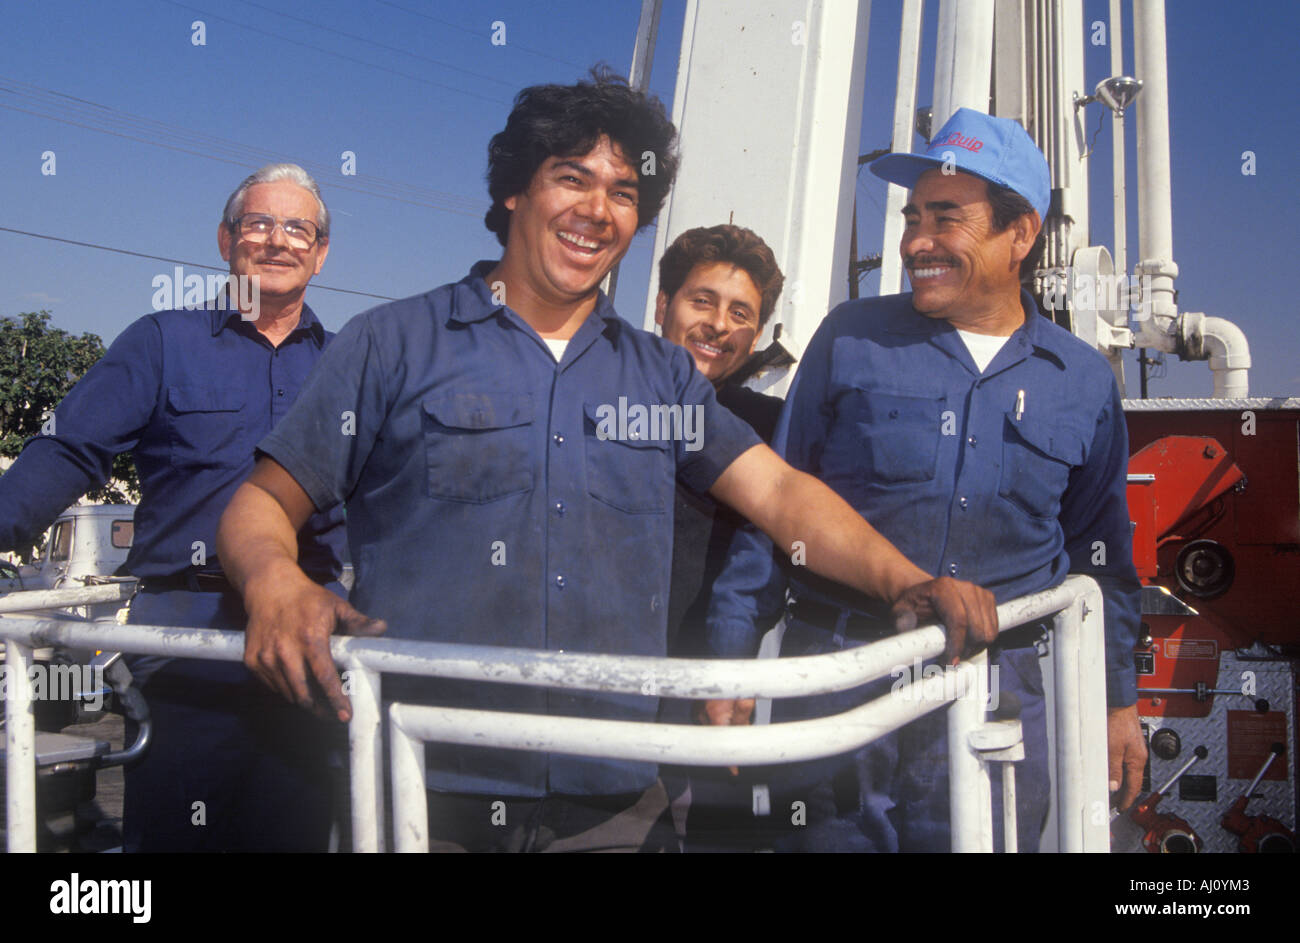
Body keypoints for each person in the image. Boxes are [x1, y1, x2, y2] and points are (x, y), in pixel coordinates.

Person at [215, 71, 996, 853]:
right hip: (425, 782)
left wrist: (906, 580)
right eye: (572, 178)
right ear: (516, 191)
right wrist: (274, 581)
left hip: (613, 802)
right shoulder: (392, 345)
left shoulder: (660, 377)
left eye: (624, 191)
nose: (597, 209)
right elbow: (263, 502)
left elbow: (783, 494)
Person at [705, 107, 1146, 852]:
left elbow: (1101, 556)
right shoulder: (851, 338)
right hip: (840, 680)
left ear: (1022, 233)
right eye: (912, 217)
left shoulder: (1082, 381)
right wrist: (729, 656)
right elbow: (774, 505)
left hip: (1002, 697)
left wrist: (1117, 700)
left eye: (946, 218)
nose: (914, 242)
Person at [0, 163, 347, 852]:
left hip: (312, 644)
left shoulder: (349, 367)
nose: (277, 241)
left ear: (321, 252)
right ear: (226, 240)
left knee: (299, 836)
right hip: (186, 647)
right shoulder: (161, 343)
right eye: (258, 224)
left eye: (297, 228)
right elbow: (69, 452)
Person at [652, 224, 786, 850]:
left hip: (713, 701)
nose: (718, 325)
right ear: (662, 306)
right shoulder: (592, 403)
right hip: (592, 692)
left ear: (756, 336)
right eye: (700, 301)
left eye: (741, 314)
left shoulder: (773, 432)